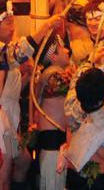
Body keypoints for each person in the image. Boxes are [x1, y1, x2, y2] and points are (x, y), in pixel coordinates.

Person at [0, 0, 62, 190]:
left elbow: (10, 92)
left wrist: (27, 77)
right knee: (2, 178)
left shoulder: (4, 54)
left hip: (8, 120)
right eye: (8, 23)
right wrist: (45, 26)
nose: (13, 28)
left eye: (13, 23)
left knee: (23, 162)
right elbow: (18, 53)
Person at [30, 35, 72, 190]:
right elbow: (81, 88)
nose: (68, 50)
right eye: (63, 49)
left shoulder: (56, 73)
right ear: (53, 56)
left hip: (56, 144)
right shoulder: (53, 75)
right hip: (52, 145)